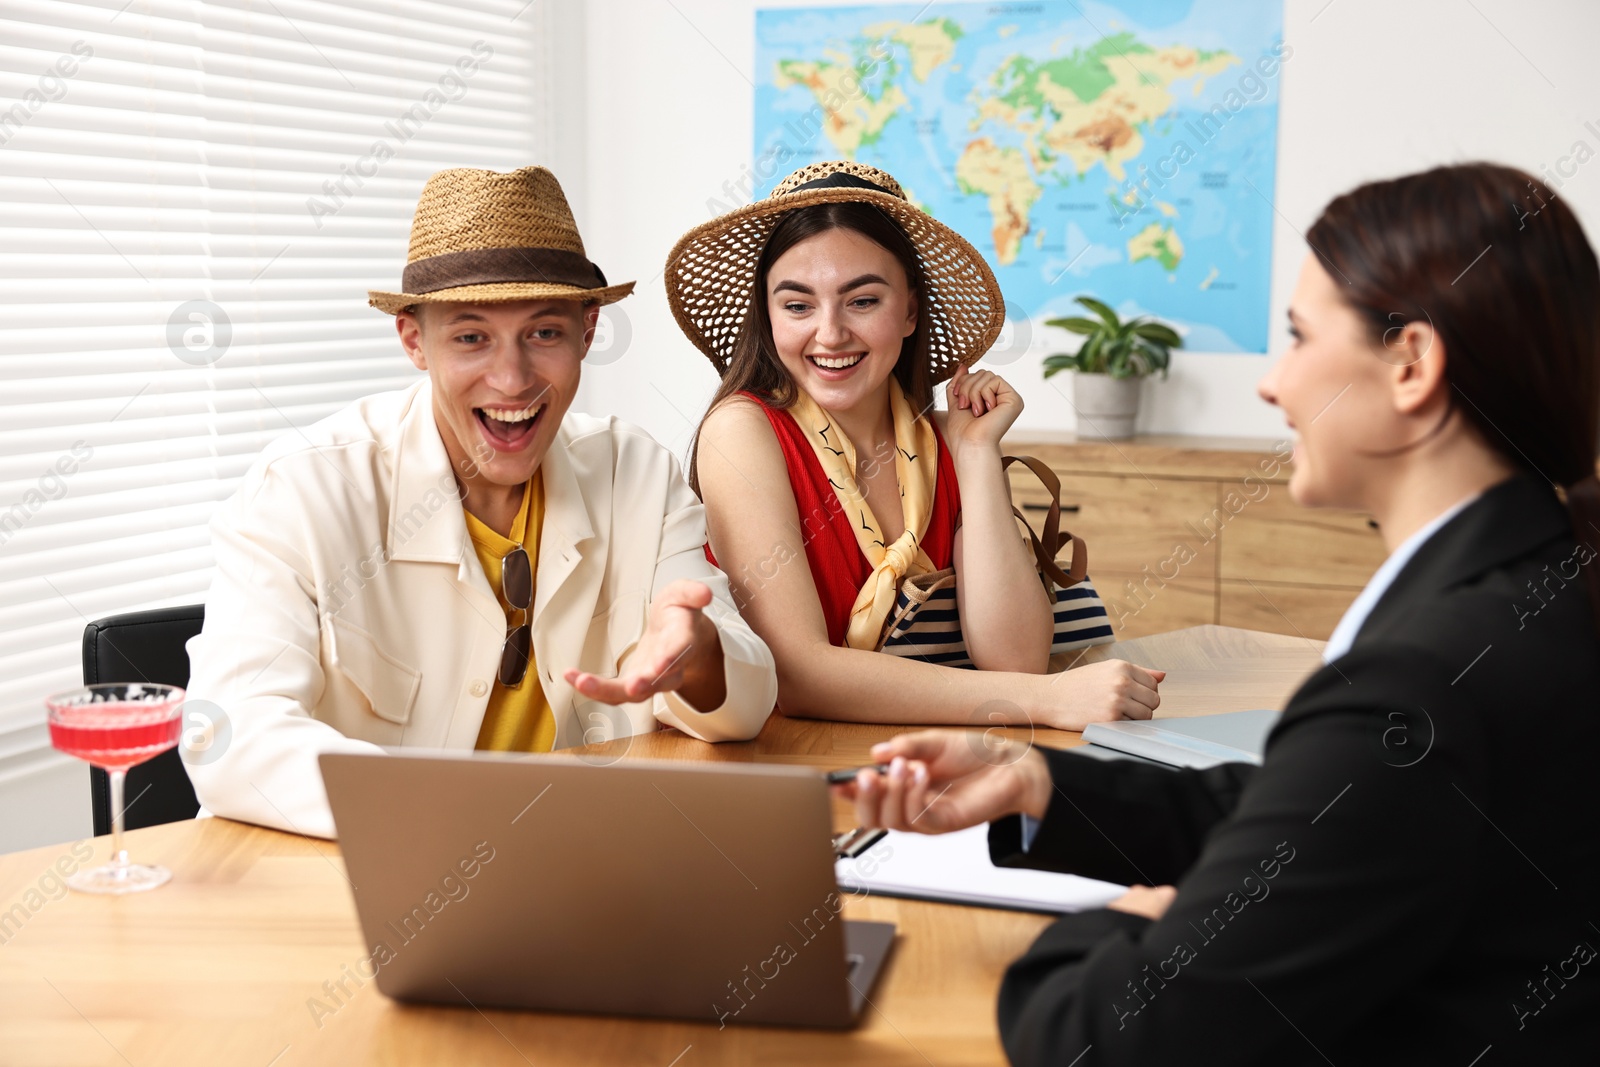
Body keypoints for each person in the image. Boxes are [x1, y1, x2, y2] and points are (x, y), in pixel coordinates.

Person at [836, 162, 1600, 1064]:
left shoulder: (1426, 674)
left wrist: (1124, 922)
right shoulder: (1532, 587)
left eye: (1299, 337)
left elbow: (1112, 1039)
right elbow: (1329, 812)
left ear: (1411, 365)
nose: (1273, 384)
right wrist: (1042, 782)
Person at [183, 166, 777, 839]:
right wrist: (453, 814)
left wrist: (699, 656)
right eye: (471, 337)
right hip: (349, 881)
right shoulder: (301, 489)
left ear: (588, 332)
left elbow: (748, 705)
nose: (512, 378)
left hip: (572, 874)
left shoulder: (635, 471)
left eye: (544, 333)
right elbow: (227, 735)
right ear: (414, 339)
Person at [667, 161, 1164, 730]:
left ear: (910, 311)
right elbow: (798, 676)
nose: (829, 334)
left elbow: (1015, 659)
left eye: (863, 301)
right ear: (770, 315)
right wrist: (1047, 701)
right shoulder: (742, 431)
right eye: (798, 305)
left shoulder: (952, 441)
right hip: (800, 765)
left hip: (942, 753)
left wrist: (977, 456)